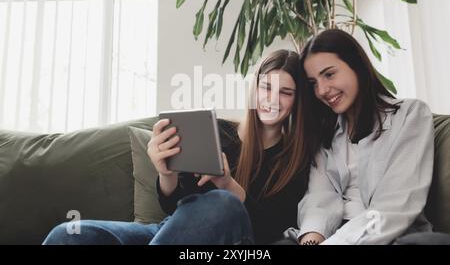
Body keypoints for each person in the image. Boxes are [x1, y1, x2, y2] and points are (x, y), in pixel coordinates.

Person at [43, 49, 314, 245]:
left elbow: (275, 229)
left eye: (285, 92)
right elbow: (174, 206)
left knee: (220, 202)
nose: (272, 99)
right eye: (266, 87)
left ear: (297, 101)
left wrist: (229, 186)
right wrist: (166, 173)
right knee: (68, 234)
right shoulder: (216, 130)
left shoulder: (297, 158)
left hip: (238, 243)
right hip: (173, 231)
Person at [284, 28, 435, 245]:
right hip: (333, 233)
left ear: (356, 66)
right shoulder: (326, 130)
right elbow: (320, 196)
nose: (322, 90)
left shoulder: (411, 115)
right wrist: (312, 238)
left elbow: (395, 205)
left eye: (329, 74)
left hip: (387, 235)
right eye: (313, 83)